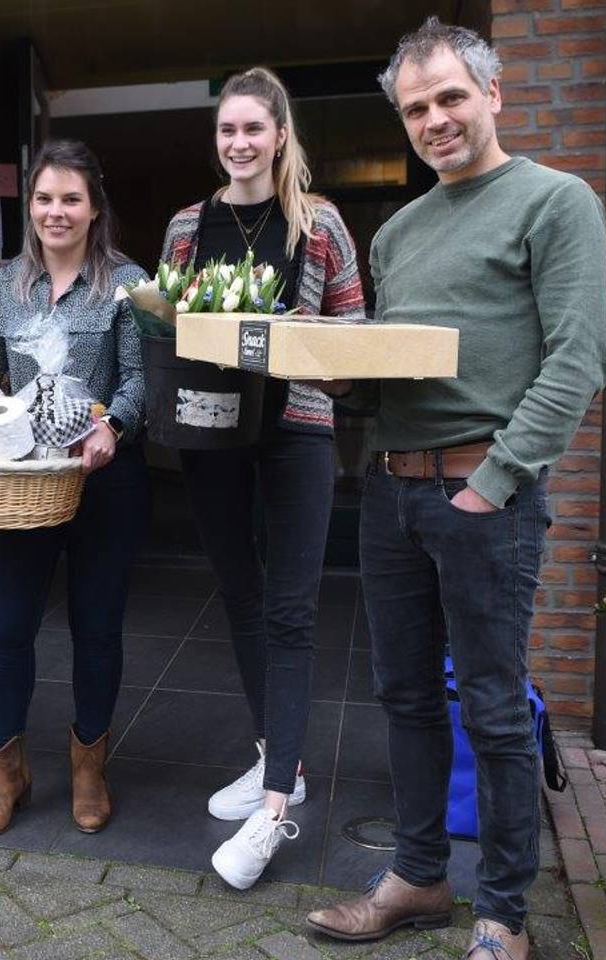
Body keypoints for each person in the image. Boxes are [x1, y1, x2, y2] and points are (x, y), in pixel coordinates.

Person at [304, 19, 606, 960]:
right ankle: (421, 877)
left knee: (491, 704)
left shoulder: (554, 202)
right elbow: (391, 368)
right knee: (401, 696)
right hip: (391, 493)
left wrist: (497, 479)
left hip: (484, 497)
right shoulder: (396, 230)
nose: (434, 120)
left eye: (449, 98)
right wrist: (322, 367)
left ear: (492, 95)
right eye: (415, 108)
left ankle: (504, 917)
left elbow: (580, 358)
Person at [158, 67, 366, 890]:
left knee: (289, 609)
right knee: (239, 597)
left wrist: (310, 334)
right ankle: (277, 756)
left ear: (281, 135)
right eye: (226, 130)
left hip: (296, 433)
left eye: (253, 129)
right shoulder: (185, 225)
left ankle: (277, 807)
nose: (238, 143)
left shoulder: (320, 224)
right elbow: (166, 326)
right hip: (211, 435)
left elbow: (351, 341)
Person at [0, 139, 149, 841]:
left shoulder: (128, 283)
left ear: (94, 206)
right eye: (44, 198)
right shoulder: (1, 286)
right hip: (21, 485)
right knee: (6, 629)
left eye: (71, 198)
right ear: (30, 206)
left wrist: (115, 426)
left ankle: (88, 767)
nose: (56, 212)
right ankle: (6, 772)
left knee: (96, 628)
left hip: (104, 478)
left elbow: (140, 377)